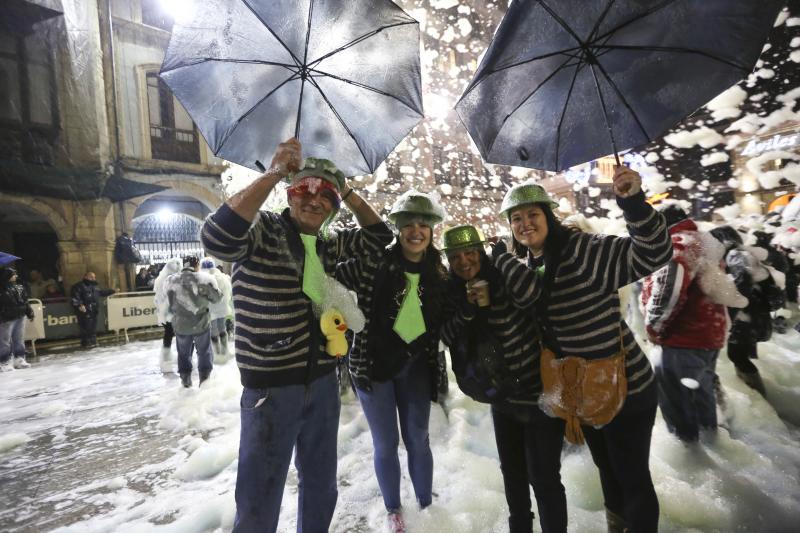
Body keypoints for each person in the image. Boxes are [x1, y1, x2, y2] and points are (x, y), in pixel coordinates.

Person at [200, 138, 393, 533]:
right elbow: (218, 238)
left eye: (326, 195)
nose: (315, 199)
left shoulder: (330, 243)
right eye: (304, 189)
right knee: (259, 495)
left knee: (321, 487)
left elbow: (379, 237)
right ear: (289, 195)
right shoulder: (264, 231)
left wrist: (349, 190)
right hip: (271, 389)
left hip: (322, 382)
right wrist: (272, 174)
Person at [501, 168, 672, 533]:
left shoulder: (584, 250)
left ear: (549, 216)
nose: (525, 223)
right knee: (608, 471)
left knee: (632, 476)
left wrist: (632, 202)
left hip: (628, 388)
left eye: (533, 214)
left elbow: (652, 253)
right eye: (517, 218)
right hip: (584, 392)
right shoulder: (530, 266)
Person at [440, 225, 567, 533]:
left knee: (544, 476)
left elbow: (531, 304)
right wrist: (469, 311)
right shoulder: (453, 294)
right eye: (455, 257)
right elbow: (442, 338)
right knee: (512, 473)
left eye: (470, 253)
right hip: (501, 399)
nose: (464, 262)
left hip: (539, 395)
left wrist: (499, 280)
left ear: (481, 252)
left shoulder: (507, 278)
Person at [336, 190, 447, 531]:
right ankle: (394, 509)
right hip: (373, 366)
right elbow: (330, 278)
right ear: (397, 229)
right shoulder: (374, 262)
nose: (416, 231)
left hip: (417, 366)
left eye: (423, 225)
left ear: (432, 230)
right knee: (385, 442)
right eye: (408, 224)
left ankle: (426, 505)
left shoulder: (438, 272)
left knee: (418, 438)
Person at [641, 206, 745, 442]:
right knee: (700, 399)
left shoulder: (677, 245)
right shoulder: (700, 241)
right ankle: (712, 449)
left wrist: (653, 328)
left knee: (681, 410)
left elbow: (669, 291)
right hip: (706, 336)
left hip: (682, 338)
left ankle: (694, 458)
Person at [711, 225, 782, 397]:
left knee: (738, 356)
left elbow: (742, 285)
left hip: (747, 316)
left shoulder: (736, 255)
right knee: (740, 355)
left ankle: (758, 396)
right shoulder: (740, 253)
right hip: (753, 314)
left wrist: (730, 313)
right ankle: (753, 393)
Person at [166, 256, 222, 388]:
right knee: (204, 352)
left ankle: (186, 380)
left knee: (183, 353)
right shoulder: (203, 279)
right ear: (196, 264)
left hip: (180, 324)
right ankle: (204, 380)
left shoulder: (171, 280)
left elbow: (169, 301)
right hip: (200, 323)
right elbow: (217, 298)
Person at [200, 257, 234, 361]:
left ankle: (217, 353)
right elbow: (229, 293)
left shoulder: (204, 278)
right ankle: (225, 351)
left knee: (213, 331)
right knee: (222, 328)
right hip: (222, 309)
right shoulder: (223, 277)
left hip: (211, 310)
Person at [0, 267, 34, 371]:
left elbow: (25, 300)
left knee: (18, 339)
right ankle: (4, 362)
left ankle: (19, 359)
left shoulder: (19, 286)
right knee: (4, 341)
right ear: (7, 276)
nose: (16, 276)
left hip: (20, 316)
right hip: (6, 318)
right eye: (13, 274)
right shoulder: (1, 288)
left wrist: (29, 312)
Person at [70, 271, 115, 348]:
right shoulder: (78, 286)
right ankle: (86, 343)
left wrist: (112, 291)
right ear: (85, 277)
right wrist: (80, 305)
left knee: (93, 327)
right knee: (86, 327)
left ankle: (93, 342)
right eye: (91, 277)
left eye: (94, 277)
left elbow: (101, 293)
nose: (93, 278)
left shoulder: (94, 287)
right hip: (84, 310)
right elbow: (75, 297)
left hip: (94, 310)